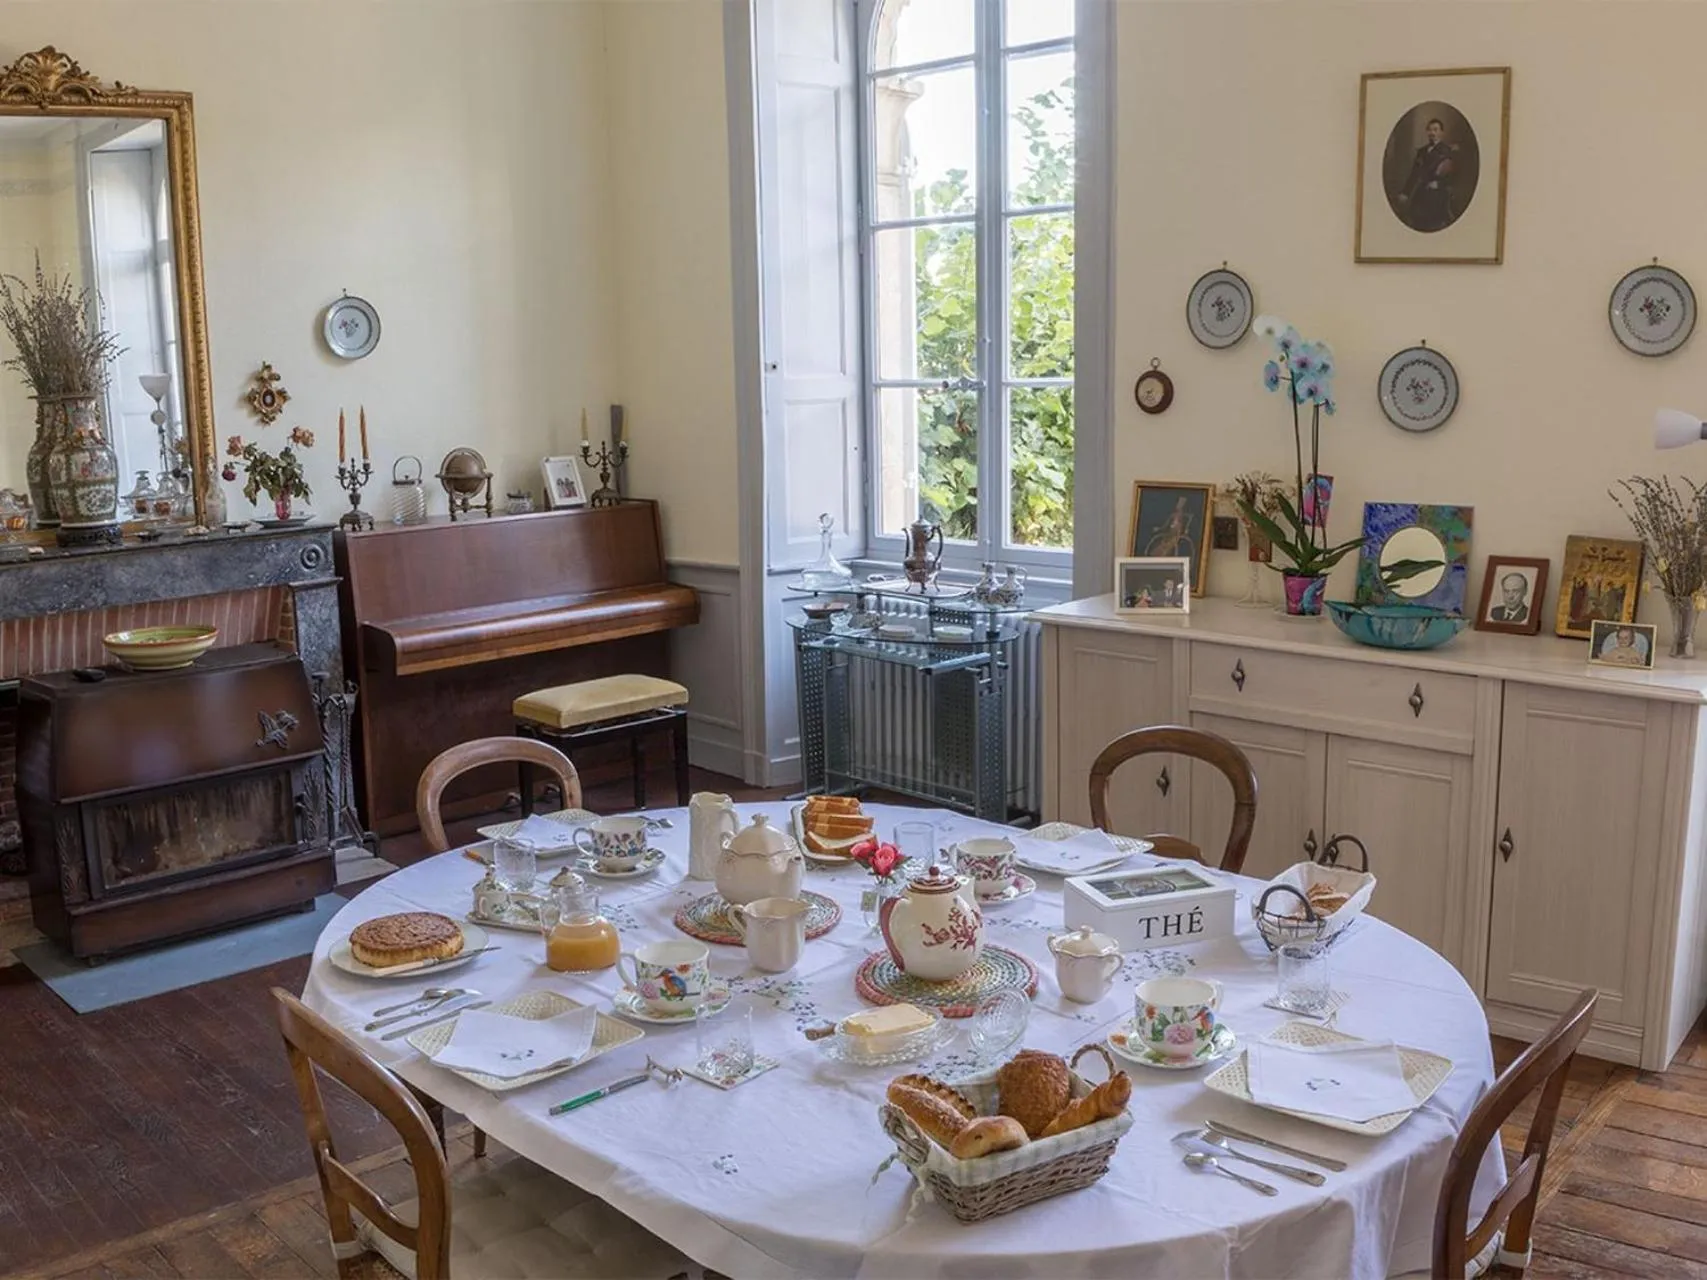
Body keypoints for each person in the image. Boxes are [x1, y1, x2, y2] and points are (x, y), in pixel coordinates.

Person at [1395, 117, 1459, 232]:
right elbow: (1414, 174)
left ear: (1441, 133)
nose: (1432, 133)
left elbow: (1454, 177)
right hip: (1421, 193)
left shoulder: (1448, 151)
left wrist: (1439, 184)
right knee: (1417, 222)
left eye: (1435, 130)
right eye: (1430, 130)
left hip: (1438, 195)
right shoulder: (1422, 151)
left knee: (1434, 225)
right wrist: (1405, 193)